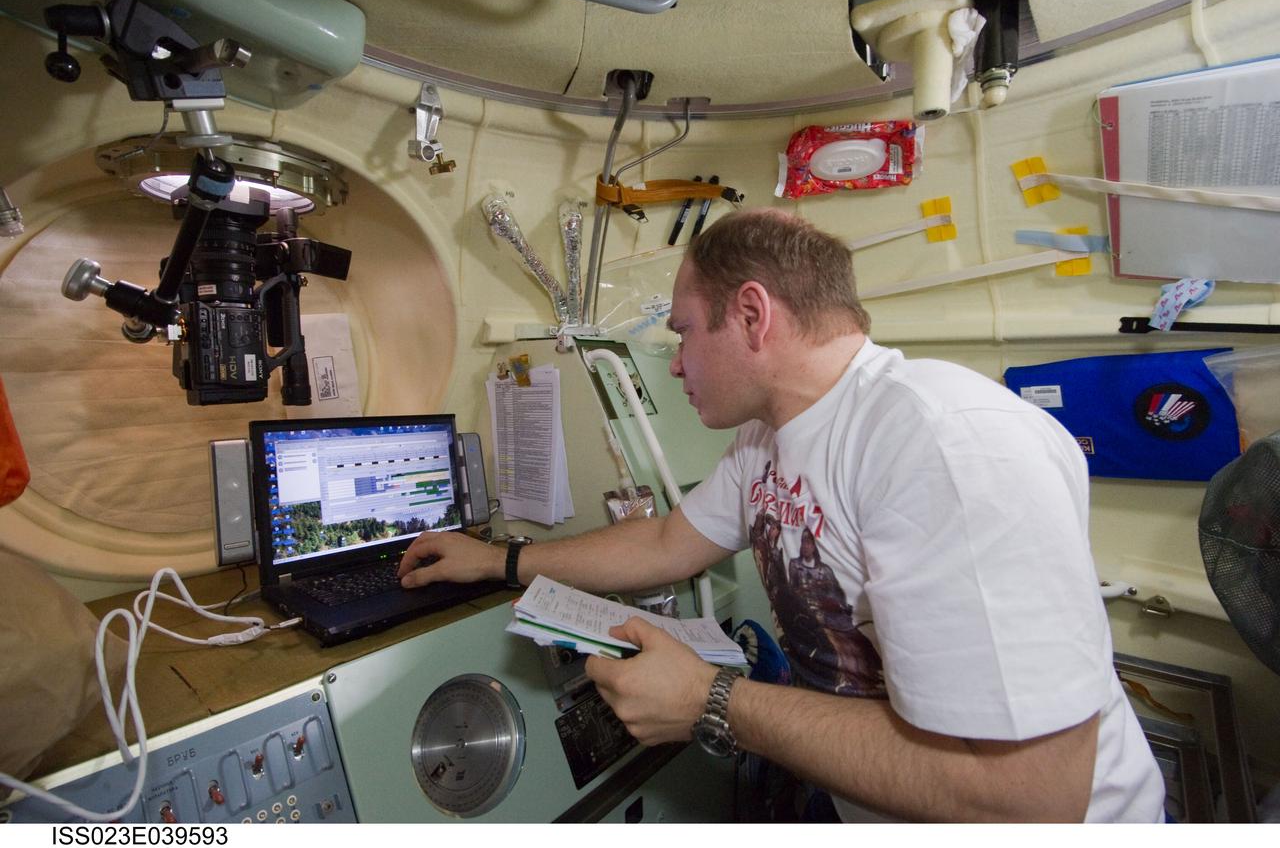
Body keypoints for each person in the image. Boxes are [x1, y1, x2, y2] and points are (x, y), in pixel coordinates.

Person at [398, 208, 1165, 822]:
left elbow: (1030, 801)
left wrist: (712, 700)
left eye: (684, 332)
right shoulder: (769, 439)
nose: (675, 361)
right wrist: (497, 561)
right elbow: (665, 543)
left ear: (752, 315)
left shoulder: (944, 445)